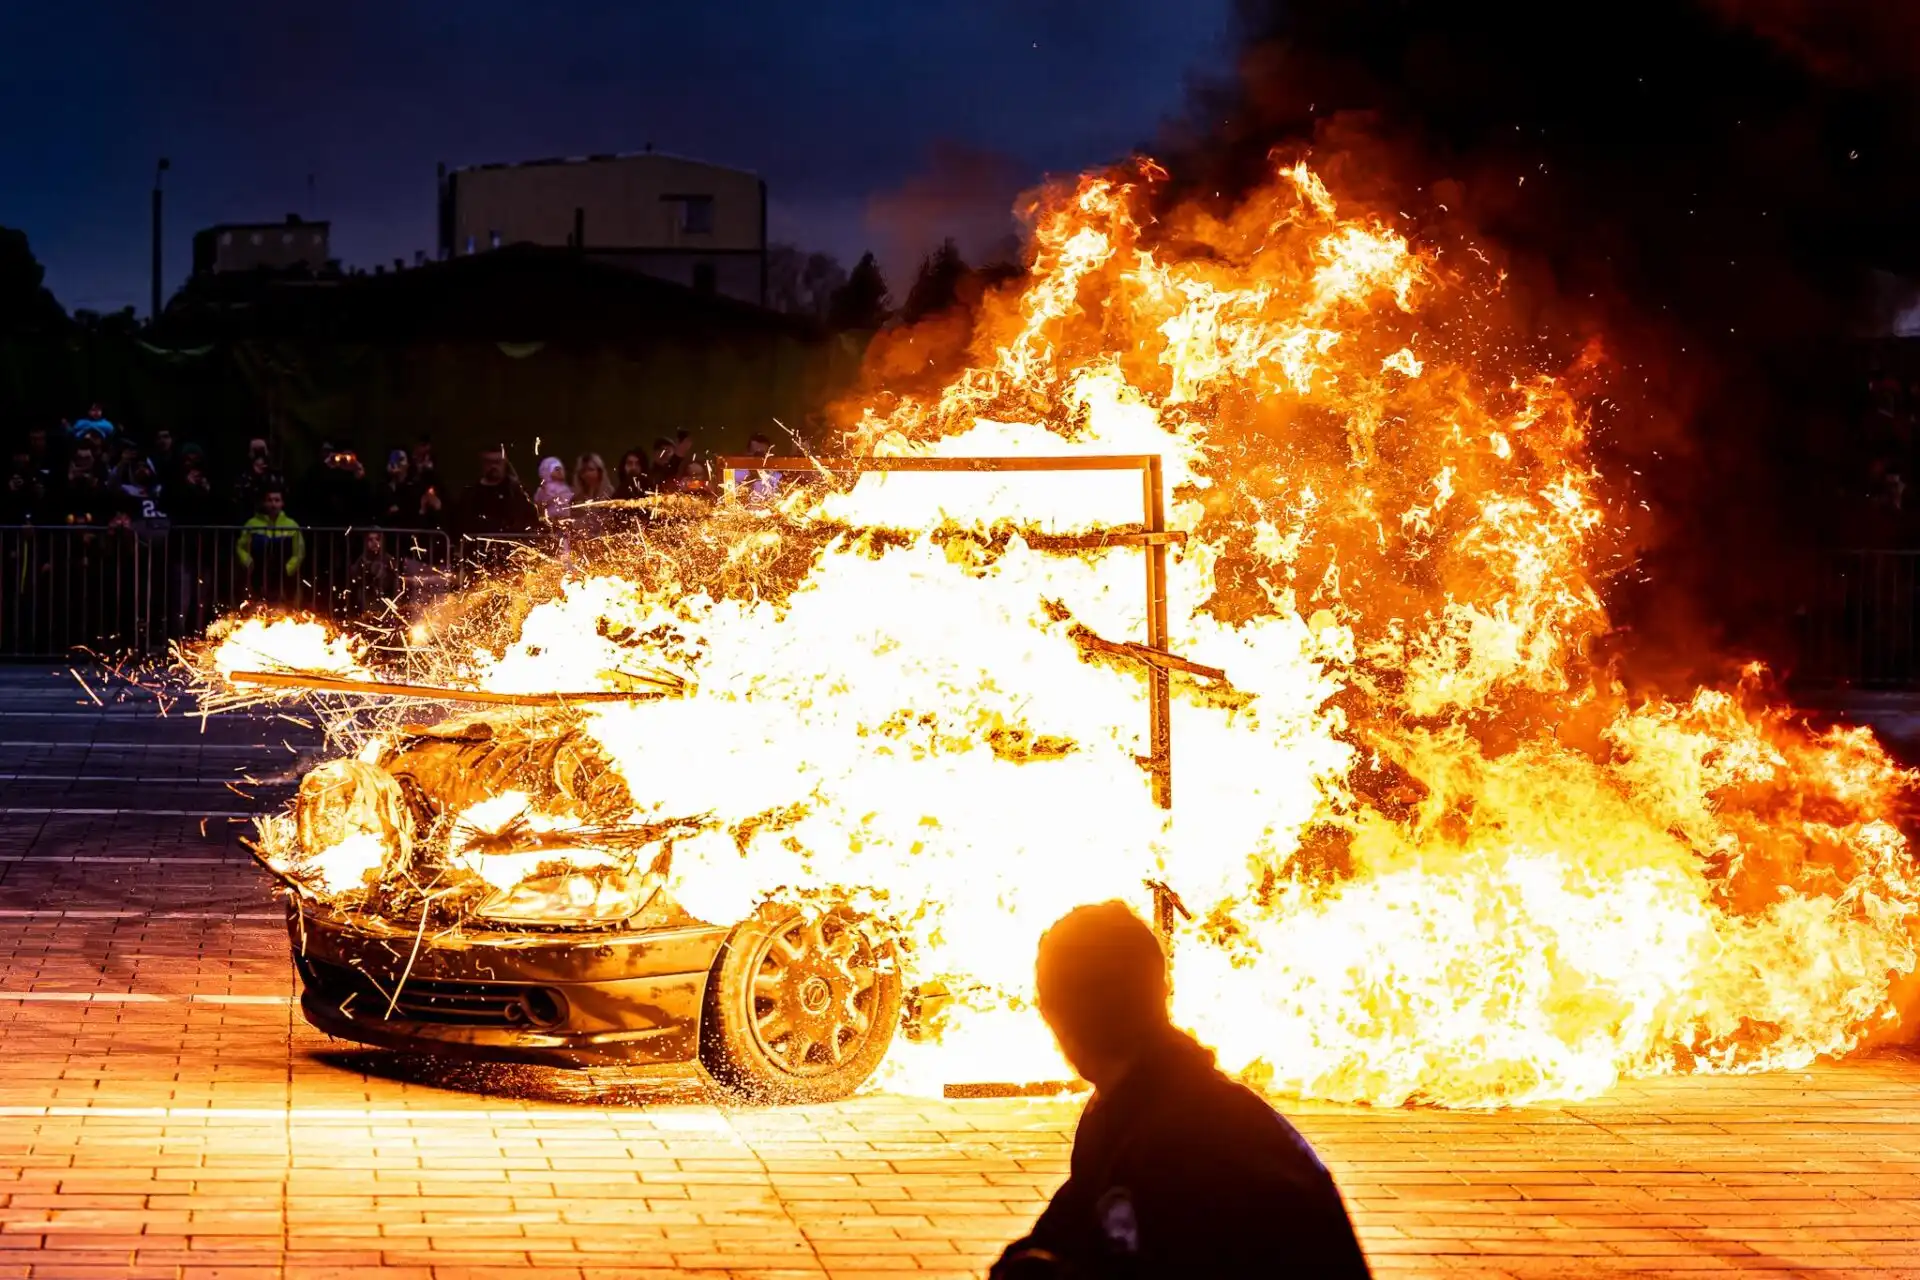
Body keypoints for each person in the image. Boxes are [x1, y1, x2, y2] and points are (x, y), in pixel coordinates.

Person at [991, 903, 1371, 1280]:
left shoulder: (1181, 1139)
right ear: (1161, 992)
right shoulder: (1131, 1108)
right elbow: (1066, 1226)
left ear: (1056, 1013)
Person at [450, 446, 538, 570]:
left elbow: (529, 518)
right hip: (478, 559)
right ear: (483, 464)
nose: (494, 466)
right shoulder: (471, 493)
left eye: (498, 462)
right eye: (489, 462)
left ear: (504, 464)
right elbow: (461, 522)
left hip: (511, 558)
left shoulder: (516, 492)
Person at [236, 487, 304, 605]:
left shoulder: (291, 524)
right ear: (264, 502)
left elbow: (299, 551)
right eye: (270, 500)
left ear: (282, 503)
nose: (273, 504)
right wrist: (248, 563)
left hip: (284, 576)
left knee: (284, 609)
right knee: (257, 607)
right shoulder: (252, 523)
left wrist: (288, 568)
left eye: (277, 500)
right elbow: (240, 546)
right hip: (257, 573)